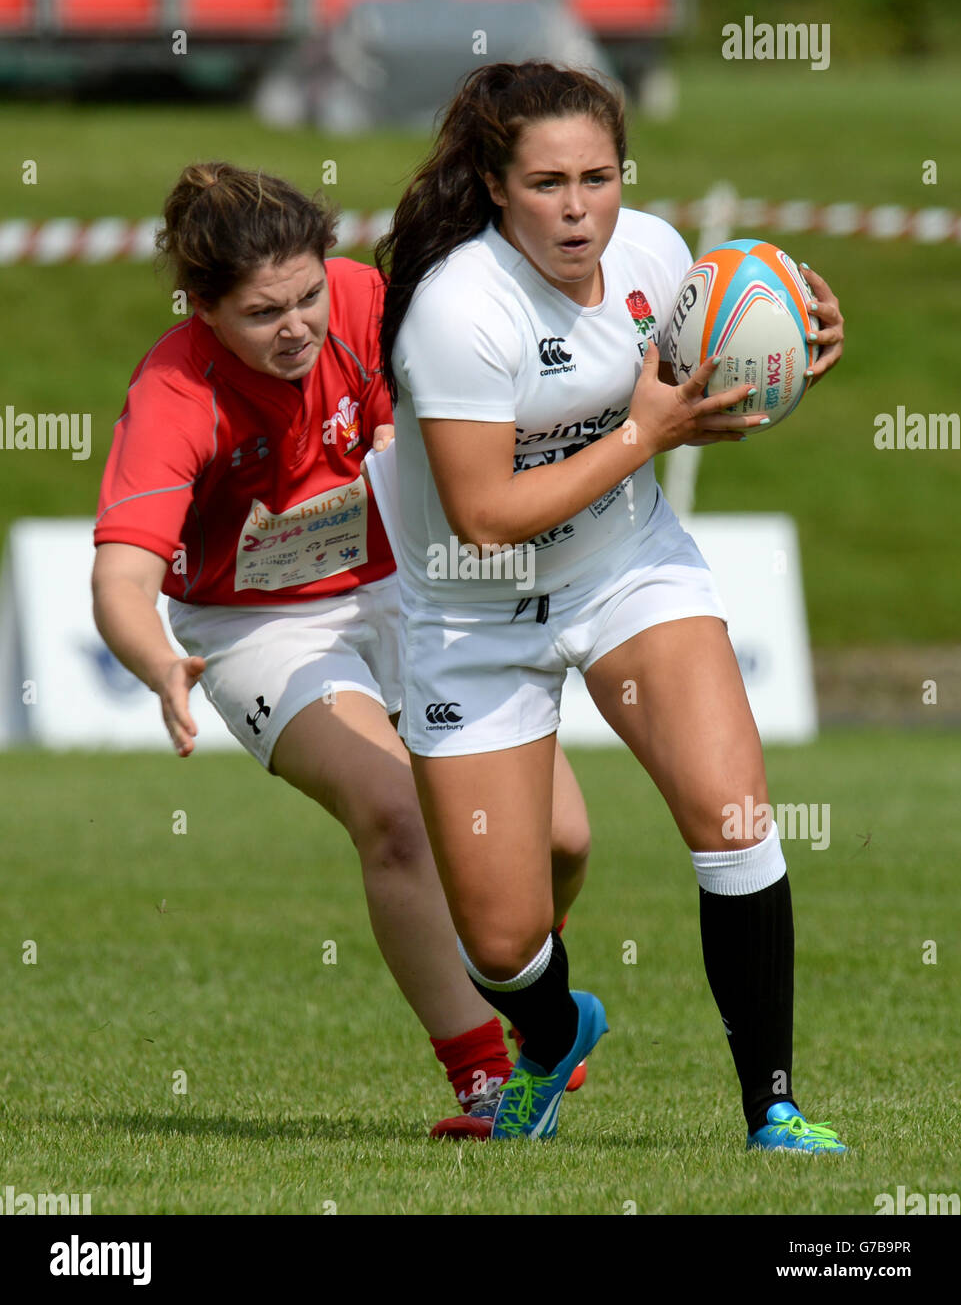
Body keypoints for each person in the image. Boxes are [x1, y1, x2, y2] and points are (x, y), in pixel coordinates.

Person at [375, 61, 848, 1148]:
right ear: (495, 184)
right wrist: (644, 434)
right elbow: (486, 514)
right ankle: (550, 1036)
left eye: (598, 176)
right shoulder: (458, 311)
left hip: (624, 567)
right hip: (472, 615)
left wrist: (785, 359)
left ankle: (772, 1107)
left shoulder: (656, 257)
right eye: (546, 182)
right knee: (501, 942)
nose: (578, 207)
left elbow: (700, 395)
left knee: (732, 816)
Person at [90, 161, 594, 1140]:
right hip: (255, 626)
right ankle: (488, 1083)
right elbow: (119, 577)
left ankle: (538, 1004)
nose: (297, 327)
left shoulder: (368, 300)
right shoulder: (172, 394)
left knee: (559, 837)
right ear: (199, 308)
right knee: (397, 813)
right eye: (260, 312)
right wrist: (156, 661)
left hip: (410, 580)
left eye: (308, 293)